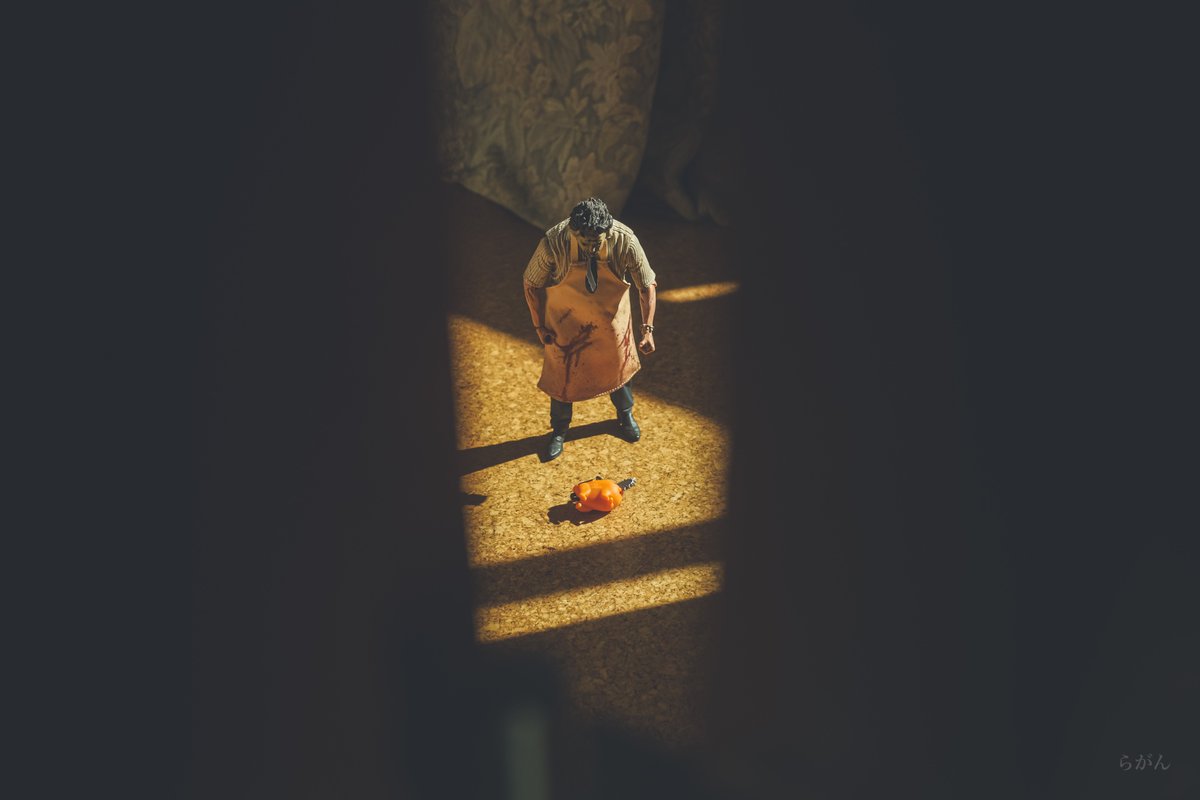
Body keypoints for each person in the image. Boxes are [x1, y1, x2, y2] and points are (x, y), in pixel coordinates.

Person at [523, 197, 657, 461]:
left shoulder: (625, 240)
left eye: (597, 242)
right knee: (562, 380)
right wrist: (539, 326)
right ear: (573, 231)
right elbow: (531, 283)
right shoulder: (553, 242)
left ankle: (625, 414)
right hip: (566, 323)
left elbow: (647, 285)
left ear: (608, 229)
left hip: (612, 322)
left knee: (619, 371)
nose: (592, 248)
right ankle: (559, 430)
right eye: (586, 243)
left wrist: (648, 329)